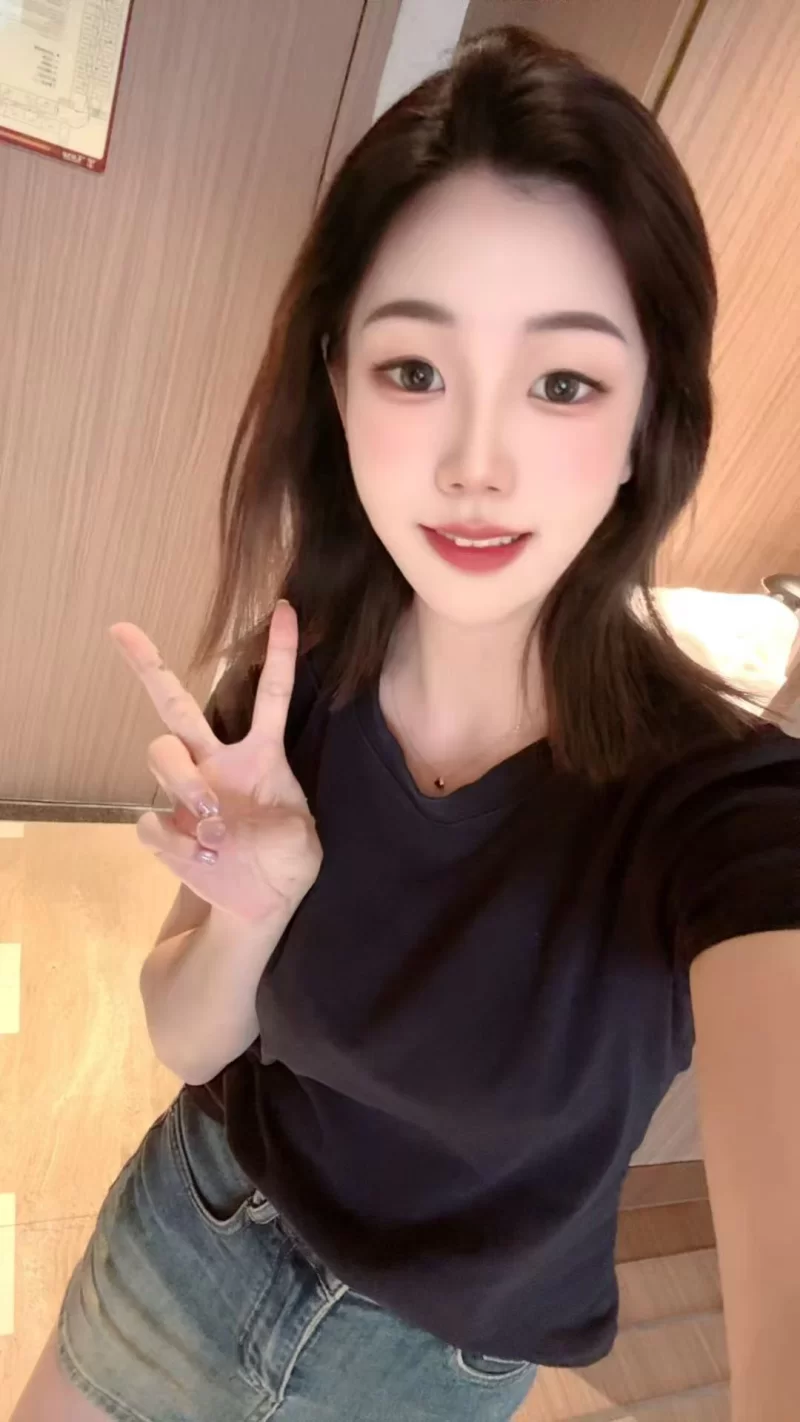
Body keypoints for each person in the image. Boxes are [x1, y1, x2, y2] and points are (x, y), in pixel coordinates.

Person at [14, 25, 800, 1422]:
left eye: (563, 382)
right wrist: (253, 908)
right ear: (337, 381)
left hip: (429, 1379)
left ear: (647, 419)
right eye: (415, 370)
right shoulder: (293, 688)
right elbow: (185, 1043)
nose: (476, 464)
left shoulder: (723, 812)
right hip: (193, 1240)